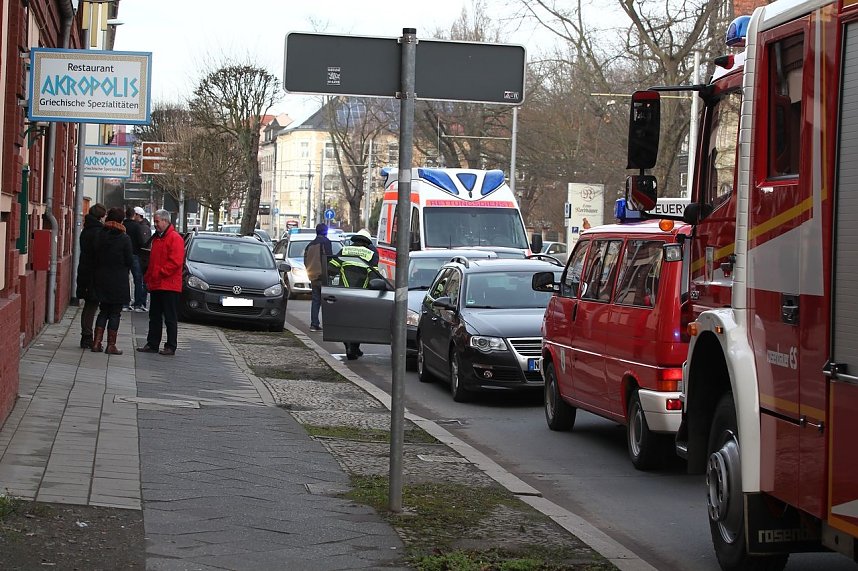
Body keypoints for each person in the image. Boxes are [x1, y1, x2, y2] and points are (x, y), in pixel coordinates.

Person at [137, 209, 184, 356]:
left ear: (165, 221)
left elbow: (175, 262)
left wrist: (158, 273)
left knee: (170, 317)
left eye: (157, 221)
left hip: (169, 285)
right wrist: (149, 277)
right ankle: (152, 344)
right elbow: (153, 261)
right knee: (155, 316)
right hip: (158, 283)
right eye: (155, 221)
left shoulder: (174, 238)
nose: (155, 224)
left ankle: (170, 346)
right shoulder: (157, 238)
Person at [328, 228, 379, 360]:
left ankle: (350, 347)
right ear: (367, 242)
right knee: (359, 322)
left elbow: (331, 268)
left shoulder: (344, 250)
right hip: (362, 294)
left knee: (344, 321)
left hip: (343, 292)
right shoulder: (371, 254)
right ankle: (354, 347)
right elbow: (374, 276)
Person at [91, 207, 133, 354]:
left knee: (103, 311)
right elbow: (129, 260)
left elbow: (95, 255)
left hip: (101, 278)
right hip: (118, 280)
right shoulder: (124, 238)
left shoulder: (100, 235)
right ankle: (111, 345)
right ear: (121, 221)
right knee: (115, 313)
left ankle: (96, 343)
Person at [76, 203, 106, 349]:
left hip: (85, 270)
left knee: (89, 305)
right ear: (101, 217)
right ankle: (87, 337)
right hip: (94, 273)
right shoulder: (98, 232)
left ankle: (86, 336)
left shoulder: (86, 230)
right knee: (92, 305)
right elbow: (99, 254)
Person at [304, 223, 333, 332]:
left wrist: (310, 272)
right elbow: (329, 258)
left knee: (315, 300)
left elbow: (305, 260)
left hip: (313, 276)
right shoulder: (326, 242)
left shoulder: (310, 245)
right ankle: (330, 324)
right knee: (329, 300)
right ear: (325, 232)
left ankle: (314, 324)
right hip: (323, 275)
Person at [125, 206, 149, 311]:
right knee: (138, 279)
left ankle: (125, 302)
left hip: (124, 255)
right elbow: (141, 242)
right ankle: (138, 303)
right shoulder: (137, 227)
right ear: (134, 215)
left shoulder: (123, 225)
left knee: (125, 279)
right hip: (135, 254)